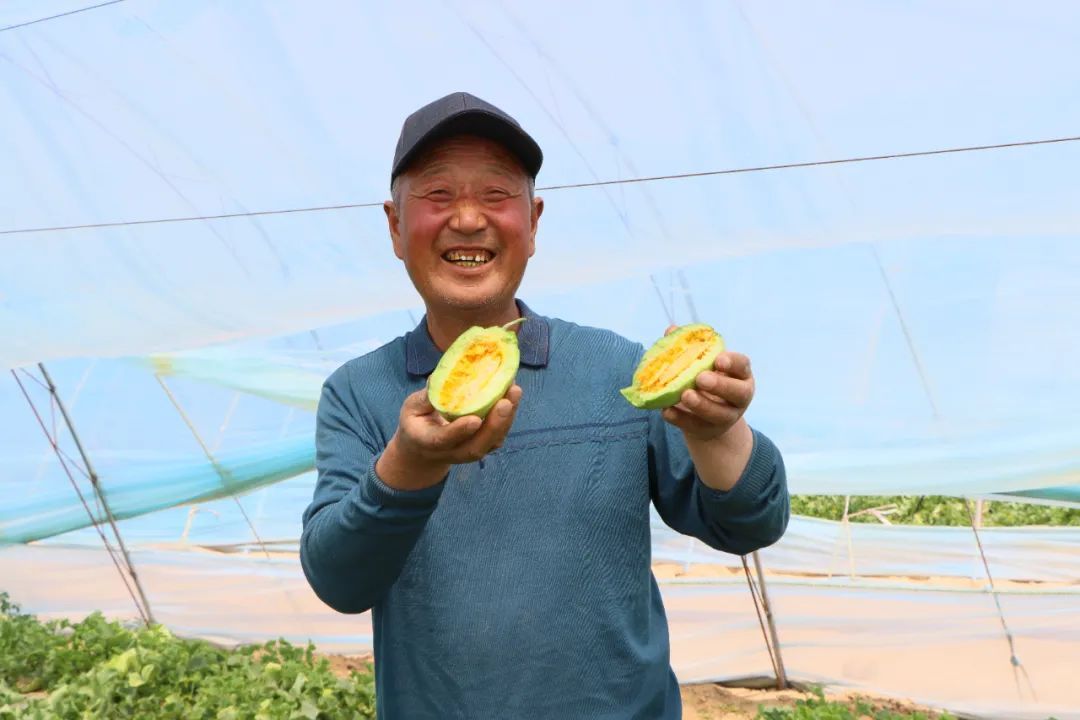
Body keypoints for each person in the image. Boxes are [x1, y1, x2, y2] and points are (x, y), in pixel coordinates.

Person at [300, 91, 789, 720]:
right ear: (395, 226)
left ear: (532, 222)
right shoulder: (359, 393)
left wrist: (718, 430)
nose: (468, 219)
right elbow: (339, 581)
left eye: (496, 194)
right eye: (439, 195)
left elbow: (751, 523)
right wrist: (408, 466)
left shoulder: (617, 369)